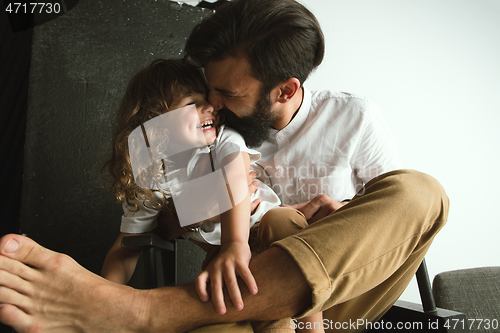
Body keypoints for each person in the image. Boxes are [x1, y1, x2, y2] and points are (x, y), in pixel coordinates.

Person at [0, 0, 449, 332]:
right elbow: (158, 212)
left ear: (285, 91)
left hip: (340, 299)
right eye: (206, 91)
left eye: (225, 94)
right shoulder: (201, 128)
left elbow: (393, 222)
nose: (214, 103)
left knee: (422, 193)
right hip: (241, 299)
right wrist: (195, 204)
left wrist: (346, 213)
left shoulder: (354, 117)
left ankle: (143, 311)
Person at [99, 58, 322, 332]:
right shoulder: (152, 175)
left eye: (206, 100)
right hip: (221, 253)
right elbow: (127, 245)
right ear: (156, 124)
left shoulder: (223, 139)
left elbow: (235, 176)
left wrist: (235, 244)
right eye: (191, 104)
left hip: (265, 233)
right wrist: (103, 296)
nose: (210, 107)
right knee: (252, 306)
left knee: (282, 220)